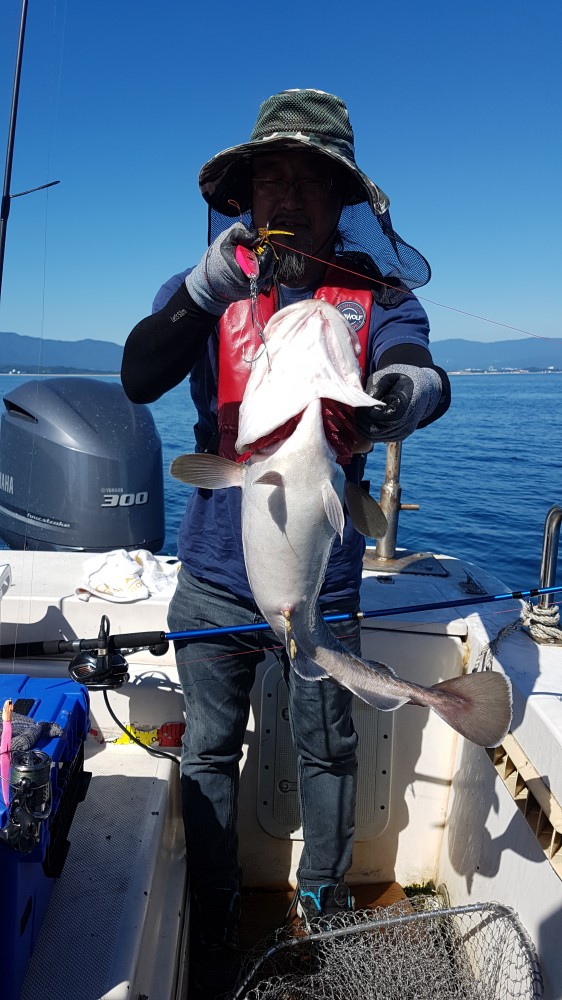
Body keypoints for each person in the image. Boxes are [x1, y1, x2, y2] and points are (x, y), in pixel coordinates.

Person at [121, 88, 450, 997]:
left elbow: (420, 369)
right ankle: (217, 905)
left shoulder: (374, 296)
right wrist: (199, 295)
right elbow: (139, 374)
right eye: (273, 176)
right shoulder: (206, 286)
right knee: (208, 748)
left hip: (323, 582)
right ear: (246, 194)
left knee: (328, 750)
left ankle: (325, 900)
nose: (290, 195)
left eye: (312, 178)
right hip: (213, 578)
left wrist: (402, 396)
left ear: (341, 198)